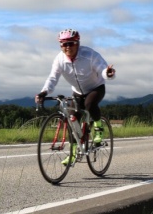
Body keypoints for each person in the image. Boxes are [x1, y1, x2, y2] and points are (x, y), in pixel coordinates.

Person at [35, 29, 116, 164]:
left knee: (90, 104)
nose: (67, 47)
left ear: (77, 43)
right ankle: (73, 153)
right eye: (63, 44)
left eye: (71, 43)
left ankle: (98, 129)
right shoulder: (59, 60)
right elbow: (52, 78)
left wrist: (108, 73)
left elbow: (102, 69)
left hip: (96, 88)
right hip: (78, 92)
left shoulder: (89, 55)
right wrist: (44, 92)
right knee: (73, 120)